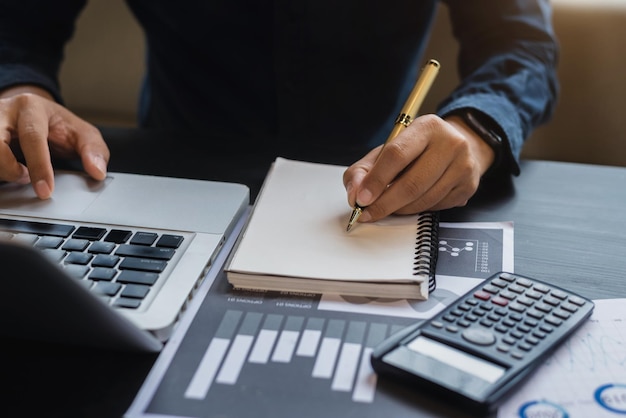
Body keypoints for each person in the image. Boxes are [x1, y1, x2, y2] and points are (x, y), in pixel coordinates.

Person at [0, 0, 558, 225]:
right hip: (166, 181)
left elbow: (519, 45)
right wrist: (18, 89)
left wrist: (475, 127)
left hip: (375, 178)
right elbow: (19, 26)